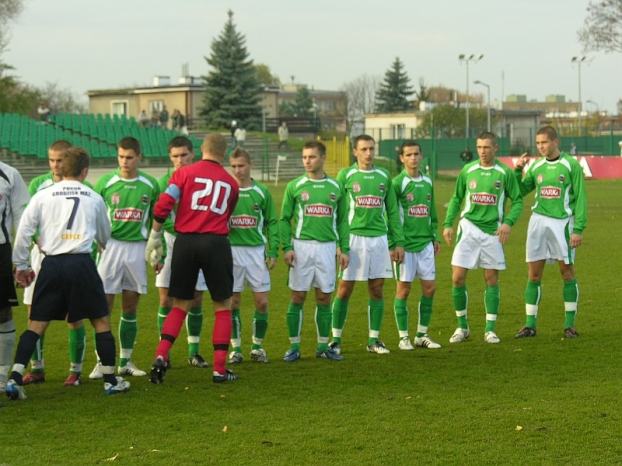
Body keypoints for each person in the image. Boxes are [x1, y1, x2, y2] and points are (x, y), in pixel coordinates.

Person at [7, 147, 130, 401]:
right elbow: (105, 235)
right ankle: (109, 380)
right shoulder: (93, 197)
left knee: (37, 323)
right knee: (100, 321)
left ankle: (14, 378)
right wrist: (98, 240)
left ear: (62, 168)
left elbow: (24, 230)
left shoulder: (43, 194)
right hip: (80, 262)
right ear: (85, 170)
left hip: (51, 264)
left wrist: (21, 264)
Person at [146, 133, 240, 384]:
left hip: (185, 242)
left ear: (201, 149)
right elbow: (228, 213)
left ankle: (161, 355)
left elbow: (164, 203)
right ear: (224, 153)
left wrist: (155, 234)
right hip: (216, 243)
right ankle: (220, 369)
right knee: (222, 306)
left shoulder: (184, 174)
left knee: (179, 304)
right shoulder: (231, 183)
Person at [21, 141, 91, 387]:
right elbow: (26, 219)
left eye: (61, 160)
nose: (56, 165)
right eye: (52, 160)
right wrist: (36, 238)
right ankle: (37, 368)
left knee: (74, 314)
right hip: (41, 256)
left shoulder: (84, 187)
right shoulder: (38, 185)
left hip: (70, 256)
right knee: (34, 312)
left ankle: (75, 371)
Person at [443, 131, 523, 344]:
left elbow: (518, 201)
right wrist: (448, 224)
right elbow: (456, 198)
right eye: (479, 147)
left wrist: (508, 223)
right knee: (457, 278)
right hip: (468, 229)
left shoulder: (504, 173)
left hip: (492, 232)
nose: (482, 151)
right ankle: (462, 328)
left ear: (495, 148)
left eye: (486, 147)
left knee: (491, 279)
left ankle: (490, 329)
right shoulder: (468, 170)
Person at [90, 137, 160, 379]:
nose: (124, 162)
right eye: (121, 157)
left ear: (139, 157)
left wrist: (159, 249)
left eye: (129, 157)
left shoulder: (150, 185)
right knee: (103, 307)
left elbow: (158, 219)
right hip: (109, 248)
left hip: (137, 250)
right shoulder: (105, 183)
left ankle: (125, 360)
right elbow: (92, 215)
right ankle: (101, 361)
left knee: (130, 306)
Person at [329, 135, 404, 355]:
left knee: (377, 289)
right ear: (355, 152)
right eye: (364, 149)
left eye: (371, 149)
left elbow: (392, 212)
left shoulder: (383, 176)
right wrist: (340, 244)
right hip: (353, 238)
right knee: (344, 289)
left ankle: (374, 340)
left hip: (379, 239)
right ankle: (335, 339)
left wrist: (397, 242)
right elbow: (338, 213)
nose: (369, 153)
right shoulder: (346, 175)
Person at [513, 126, 587, 339]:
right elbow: (521, 191)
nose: (540, 147)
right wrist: (518, 170)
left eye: (544, 142)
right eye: (538, 143)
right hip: (538, 222)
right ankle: (529, 325)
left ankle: (569, 325)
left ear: (555, 142)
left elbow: (581, 198)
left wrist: (578, 229)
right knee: (534, 273)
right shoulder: (537, 165)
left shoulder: (570, 165)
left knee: (567, 272)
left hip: (562, 223)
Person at [280, 140, 349, 362]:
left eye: (312, 157)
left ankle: (322, 346)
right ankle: (294, 346)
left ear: (323, 158)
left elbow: (342, 222)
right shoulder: (295, 186)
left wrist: (344, 248)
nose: (307, 161)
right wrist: (288, 247)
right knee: (298, 296)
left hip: (328, 248)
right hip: (302, 247)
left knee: (324, 297)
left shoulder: (336, 187)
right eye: (304, 157)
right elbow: (284, 220)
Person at [154, 136, 209, 369]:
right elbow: (158, 214)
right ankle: (163, 354)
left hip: (196, 243)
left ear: (193, 154)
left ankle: (194, 352)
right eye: (175, 156)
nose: (179, 160)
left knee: (196, 299)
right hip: (171, 242)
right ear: (170, 157)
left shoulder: (202, 180)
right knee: (166, 300)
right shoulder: (163, 182)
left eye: (183, 155)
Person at [227, 147, 279, 364]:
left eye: (241, 166)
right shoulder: (227, 191)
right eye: (234, 167)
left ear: (250, 165)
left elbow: (272, 222)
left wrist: (273, 250)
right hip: (231, 253)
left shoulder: (262, 192)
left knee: (262, 302)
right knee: (232, 302)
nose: (237, 170)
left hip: (257, 252)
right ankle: (236, 349)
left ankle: (257, 347)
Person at [391, 141, 441, 350]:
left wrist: (435, 235)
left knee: (429, 288)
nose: (413, 158)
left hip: (425, 243)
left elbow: (431, 212)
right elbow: (392, 216)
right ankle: (404, 337)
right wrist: (396, 243)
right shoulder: (397, 183)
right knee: (403, 290)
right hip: (406, 246)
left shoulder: (428, 181)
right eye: (408, 155)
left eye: (416, 154)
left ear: (422, 156)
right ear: (402, 158)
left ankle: (421, 334)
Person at [0, 159, 29, 402]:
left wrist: (22, 260)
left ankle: (0, 378)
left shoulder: (9, 175)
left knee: (3, 313)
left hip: (0, 251)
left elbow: (22, 218)